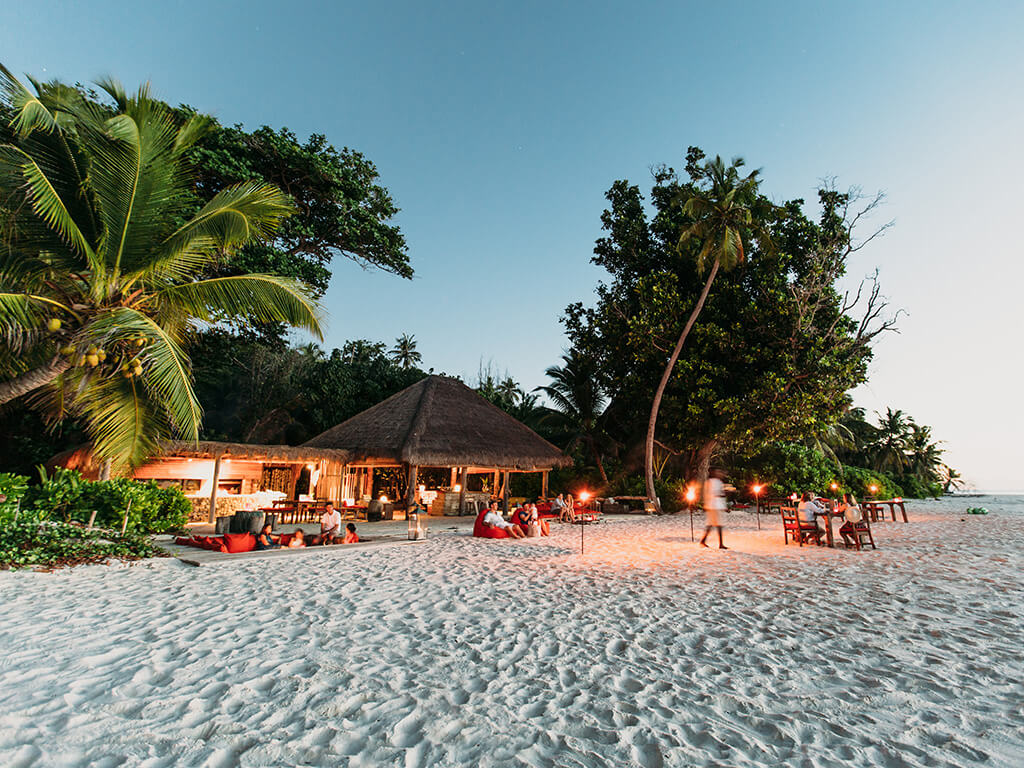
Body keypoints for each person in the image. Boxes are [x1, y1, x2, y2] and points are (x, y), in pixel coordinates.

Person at [699, 469, 729, 549]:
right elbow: (709, 494)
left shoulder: (717, 482)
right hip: (714, 505)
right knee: (717, 524)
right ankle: (720, 544)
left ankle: (703, 540)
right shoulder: (711, 482)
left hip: (715, 505)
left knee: (711, 524)